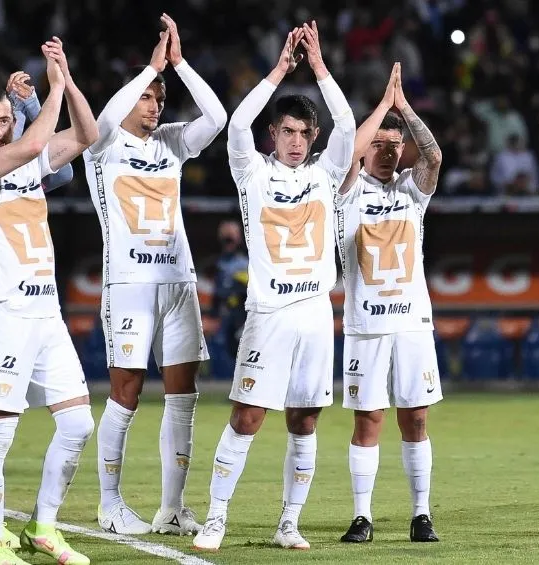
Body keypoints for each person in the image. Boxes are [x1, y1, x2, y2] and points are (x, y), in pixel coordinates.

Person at [192, 22, 355, 551]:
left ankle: (289, 523)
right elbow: (236, 126)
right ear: (274, 135)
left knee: (304, 420)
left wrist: (322, 70)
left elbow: (349, 127)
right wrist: (280, 72)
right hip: (269, 313)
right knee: (247, 417)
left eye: (304, 134)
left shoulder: (324, 175)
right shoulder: (253, 174)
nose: (296, 141)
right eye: (287, 132)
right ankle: (216, 518)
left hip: (314, 313)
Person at [0, 38, 98, 565]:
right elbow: (35, 145)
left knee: (79, 424)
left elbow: (88, 134)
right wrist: (51, 93)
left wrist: (67, 79)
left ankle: (43, 525)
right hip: (4, 313)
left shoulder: (25, 164)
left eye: (3, 120)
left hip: (47, 314)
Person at [83, 13, 227, 536]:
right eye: (148, 97)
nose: (155, 105)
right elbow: (105, 114)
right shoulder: (101, 143)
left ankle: (171, 506)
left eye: (159, 98)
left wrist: (180, 64)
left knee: (182, 393)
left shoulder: (171, 142)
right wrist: (148, 67)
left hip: (178, 280)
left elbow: (219, 116)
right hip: (128, 284)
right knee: (125, 389)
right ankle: (109, 503)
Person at [335, 63, 442, 544]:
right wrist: (381, 109)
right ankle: (363, 516)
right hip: (365, 326)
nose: (386, 151)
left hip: (413, 325)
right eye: (378, 144)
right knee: (369, 420)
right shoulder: (348, 193)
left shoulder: (410, 193)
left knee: (415, 418)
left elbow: (434, 157)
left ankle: (421, 514)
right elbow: (345, 156)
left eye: (394, 146)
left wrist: (405, 112)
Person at [212, 220, 249, 363]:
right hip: (227, 315)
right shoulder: (218, 263)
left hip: (243, 315)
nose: (228, 243)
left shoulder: (245, 263)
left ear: (239, 239)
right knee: (230, 350)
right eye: (225, 239)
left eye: (231, 238)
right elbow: (217, 293)